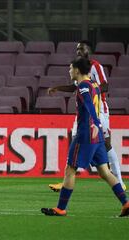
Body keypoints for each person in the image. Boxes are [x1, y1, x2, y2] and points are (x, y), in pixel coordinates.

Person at [41, 57, 129, 217]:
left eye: (70, 69)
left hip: (86, 134)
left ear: (77, 70)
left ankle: (61, 208)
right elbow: (96, 105)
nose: (69, 71)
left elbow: (88, 104)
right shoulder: (94, 85)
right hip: (98, 136)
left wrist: (96, 123)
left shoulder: (83, 86)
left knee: (70, 169)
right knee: (104, 171)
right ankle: (126, 202)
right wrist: (100, 127)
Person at [48, 40, 125, 192]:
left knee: (106, 144)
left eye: (81, 48)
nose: (78, 51)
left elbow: (105, 85)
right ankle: (67, 179)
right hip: (83, 113)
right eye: (76, 49)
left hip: (99, 109)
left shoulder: (95, 66)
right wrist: (57, 88)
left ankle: (120, 181)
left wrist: (91, 88)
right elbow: (74, 87)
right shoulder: (78, 70)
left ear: (89, 50)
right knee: (76, 140)